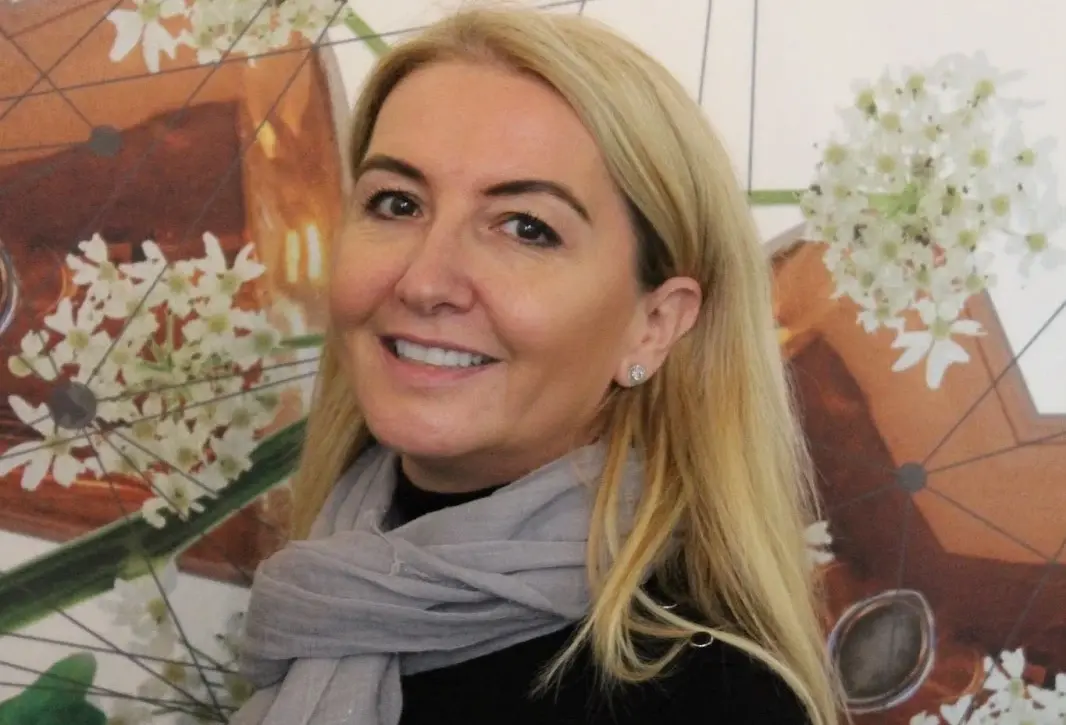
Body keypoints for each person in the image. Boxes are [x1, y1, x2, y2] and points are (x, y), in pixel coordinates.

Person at [231, 7, 844, 725]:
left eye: (527, 228)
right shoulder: (327, 586)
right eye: (397, 203)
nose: (425, 281)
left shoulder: (711, 699)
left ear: (653, 325)